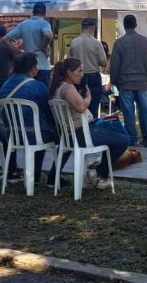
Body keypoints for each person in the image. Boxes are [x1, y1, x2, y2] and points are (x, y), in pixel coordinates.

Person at [49, 58, 134, 189]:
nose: (82, 74)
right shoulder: (67, 88)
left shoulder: (58, 87)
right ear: (69, 73)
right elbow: (81, 107)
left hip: (73, 132)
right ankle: (100, 173)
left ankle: (97, 172)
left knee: (112, 121)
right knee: (124, 140)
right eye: (80, 71)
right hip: (82, 132)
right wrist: (89, 96)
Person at [0, 52, 58, 184]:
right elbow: (49, 111)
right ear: (32, 68)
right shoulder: (38, 87)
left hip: (10, 135)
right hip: (32, 135)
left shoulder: (5, 85)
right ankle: (46, 175)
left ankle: (33, 174)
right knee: (60, 135)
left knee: (40, 130)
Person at [109, 14, 147, 147]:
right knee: (145, 110)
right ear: (136, 25)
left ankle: (132, 139)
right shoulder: (146, 42)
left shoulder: (119, 43)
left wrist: (114, 81)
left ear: (124, 26)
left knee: (128, 112)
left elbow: (114, 65)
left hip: (125, 82)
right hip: (142, 81)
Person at [67, 18, 108, 118]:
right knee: (93, 107)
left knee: (77, 106)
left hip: (77, 78)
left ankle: (80, 128)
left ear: (82, 28)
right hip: (94, 77)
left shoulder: (74, 42)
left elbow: (68, 61)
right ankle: (91, 129)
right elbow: (103, 62)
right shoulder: (97, 43)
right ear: (93, 28)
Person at [7, 3, 54, 86]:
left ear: (33, 12)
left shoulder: (23, 24)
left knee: (28, 94)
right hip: (42, 67)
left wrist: (19, 52)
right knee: (43, 95)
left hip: (28, 68)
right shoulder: (44, 23)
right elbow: (48, 35)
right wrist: (44, 46)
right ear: (45, 13)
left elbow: (5, 39)